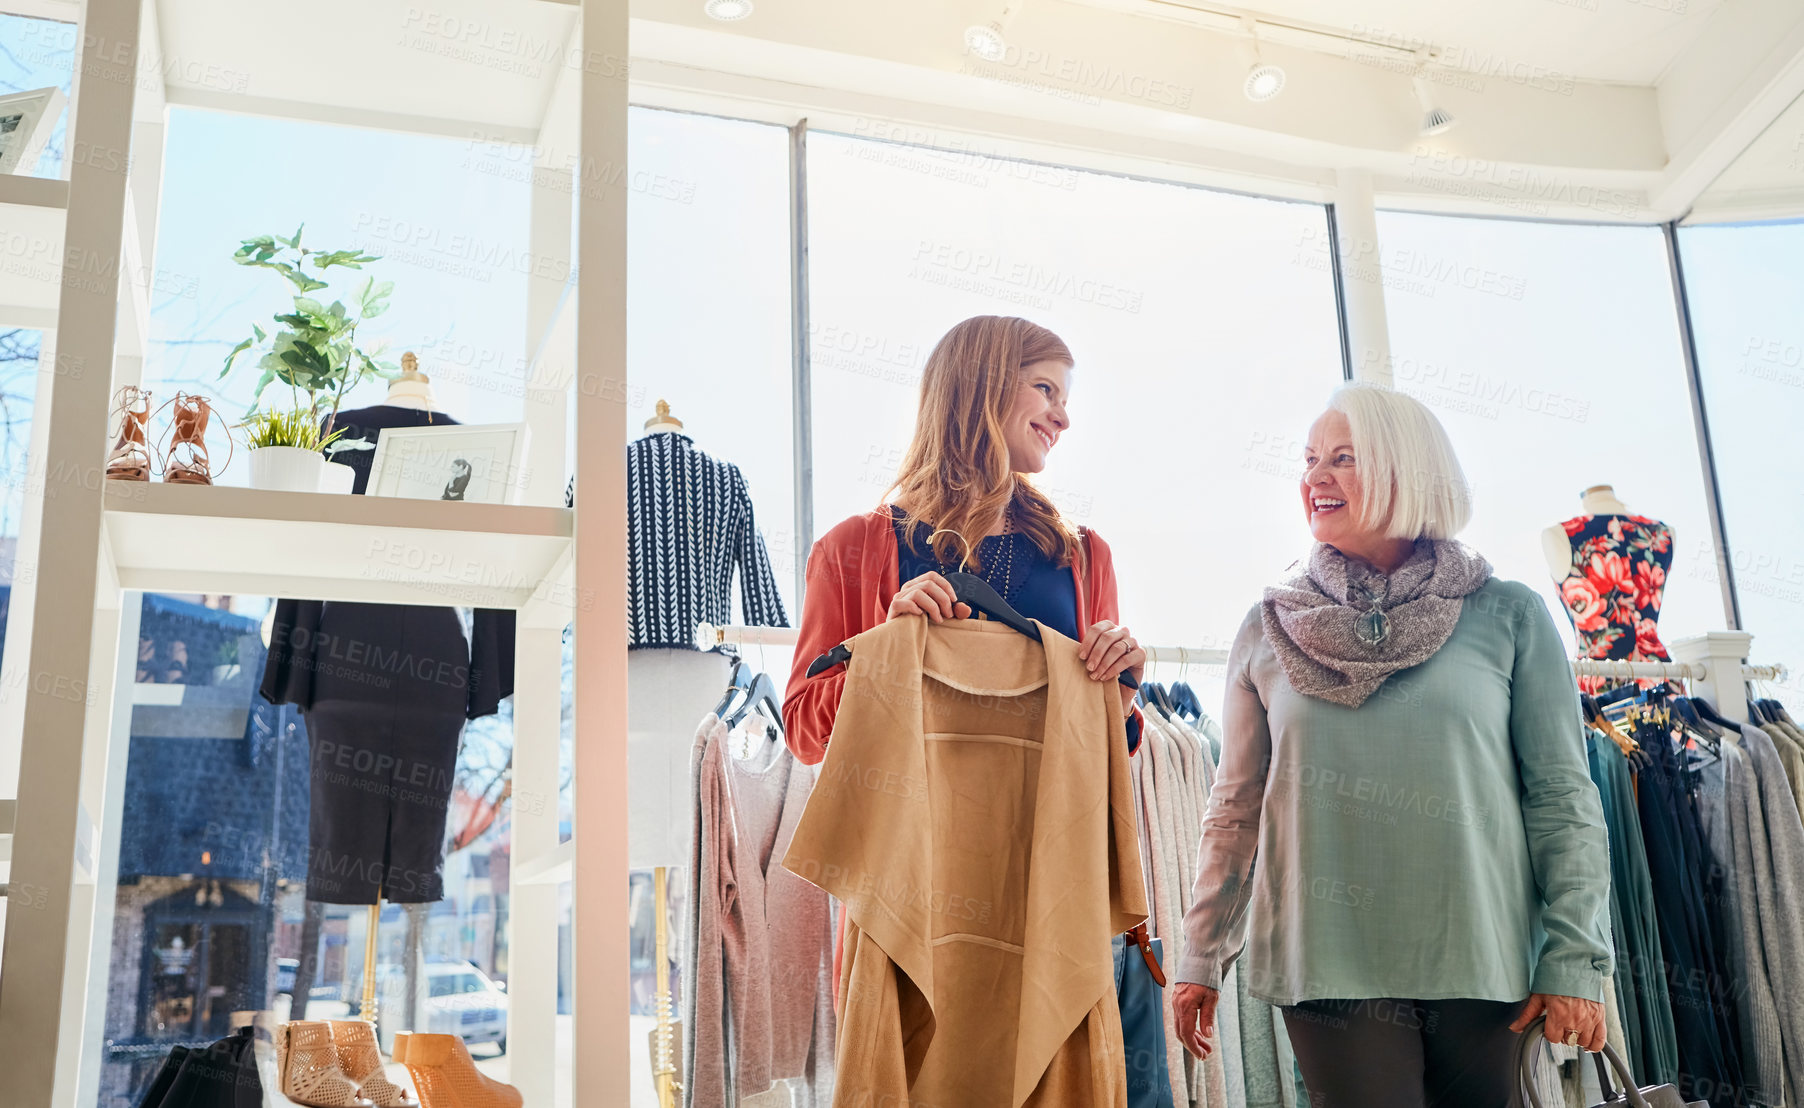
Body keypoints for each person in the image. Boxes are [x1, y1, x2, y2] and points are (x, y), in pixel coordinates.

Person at [1170, 383, 1614, 1108]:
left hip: (1486, 961)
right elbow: (1236, 806)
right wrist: (1201, 951)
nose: (1315, 477)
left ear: (1409, 470)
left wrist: (1574, 956)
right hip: (1326, 965)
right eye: (1310, 459)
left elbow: (1564, 797)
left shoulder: (1508, 615)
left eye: (1343, 458)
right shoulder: (1266, 628)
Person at [783, 313, 1148, 762]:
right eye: (1045, 389)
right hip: (911, 829)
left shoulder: (1085, 556)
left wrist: (1123, 694)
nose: (1064, 419)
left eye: (1064, 398)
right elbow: (804, 735)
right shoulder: (849, 548)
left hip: (1044, 825)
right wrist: (887, 650)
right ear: (981, 384)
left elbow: (1103, 747)